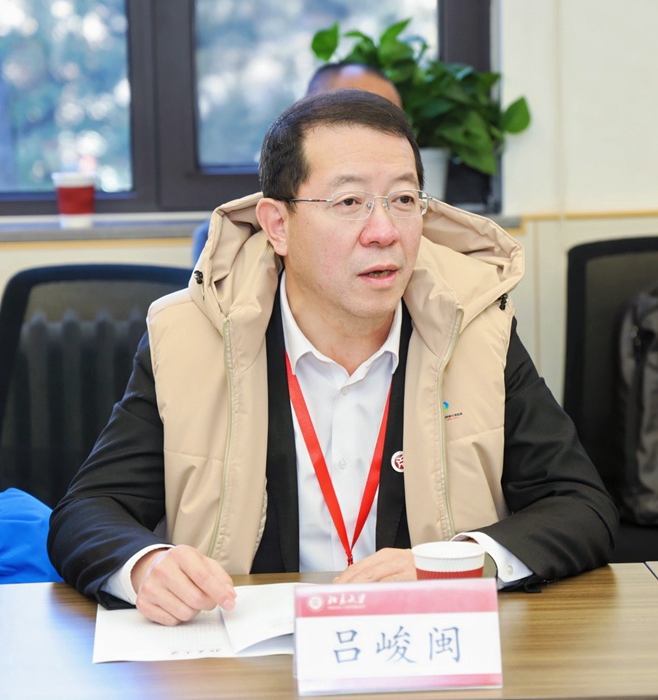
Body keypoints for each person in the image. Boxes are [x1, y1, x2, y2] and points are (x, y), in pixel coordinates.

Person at [48, 89, 618, 626]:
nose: (384, 231)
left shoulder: (473, 326)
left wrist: (455, 564)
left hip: (423, 653)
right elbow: (87, 510)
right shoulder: (191, 337)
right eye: (349, 202)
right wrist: (146, 566)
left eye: (403, 200)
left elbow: (581, 506)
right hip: (251, 659)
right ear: (278, 225)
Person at [190, 62, 402, 263]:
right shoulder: (230, 244)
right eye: (348, 202)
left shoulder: (411, 227)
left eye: (390, 121)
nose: (383, 233)